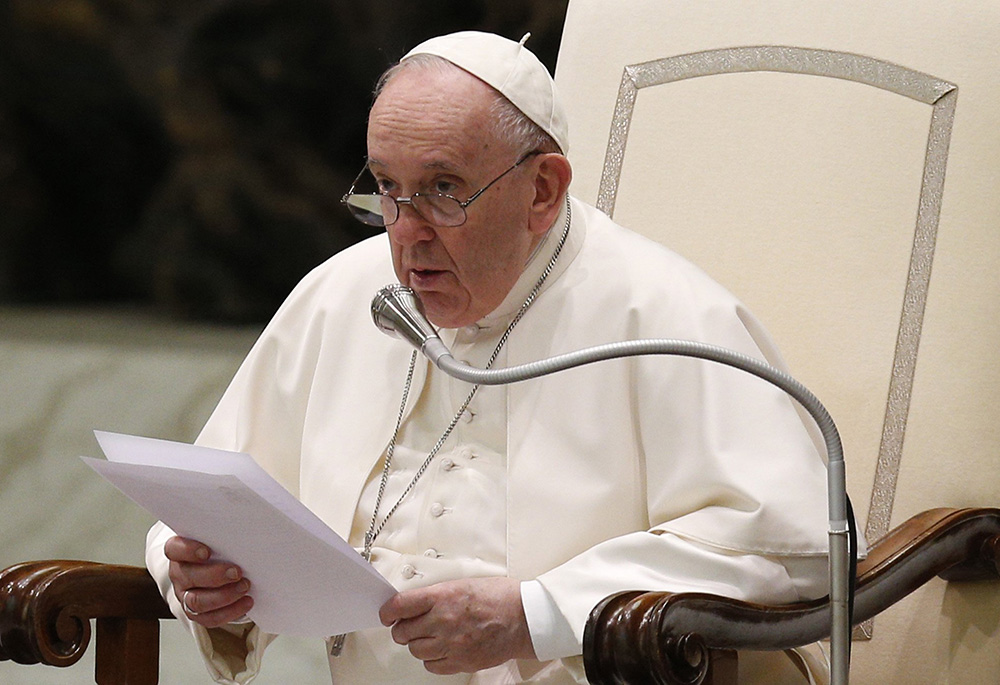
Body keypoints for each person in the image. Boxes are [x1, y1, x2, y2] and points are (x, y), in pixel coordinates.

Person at [146, 31, 833, 684]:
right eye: (386, 187)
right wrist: (196, 572)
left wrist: (537, 614)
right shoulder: (341, 296)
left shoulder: (663, 315)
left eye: (444, 189)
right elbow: (217, 498)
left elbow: (788, 548)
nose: (406, 233)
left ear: (542, 190)